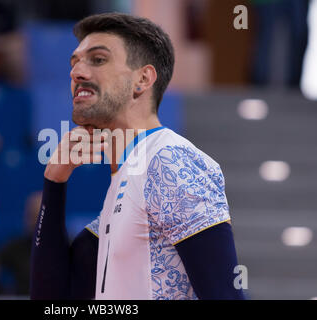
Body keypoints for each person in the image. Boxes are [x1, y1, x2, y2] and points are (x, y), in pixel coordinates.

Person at [31, 13, 245, 300]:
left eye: (97, 60)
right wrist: (54, 182)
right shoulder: (126, 177)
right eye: (75, 62)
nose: (76, 72)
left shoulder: (170, 161)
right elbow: (52, 299)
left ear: (142, 79)